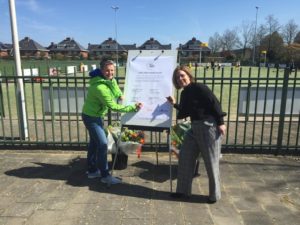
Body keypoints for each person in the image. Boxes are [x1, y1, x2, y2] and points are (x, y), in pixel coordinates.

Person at [166, 65, 226, 203]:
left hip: (208, 127)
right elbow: (185, 111)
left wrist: (221, 122)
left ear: (188, 75)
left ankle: (214, 196)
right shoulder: (185, 93)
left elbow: (214, 103)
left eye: (182, 75)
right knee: (185, 157)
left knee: (211, 162)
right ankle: (182, 191)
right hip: (194, 128)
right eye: (177, 77)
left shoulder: (199, 87)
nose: (180, 79)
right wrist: (174, 104)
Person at [82, 59, 142, 185]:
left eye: (112, 70)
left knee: (94, 143)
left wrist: (120, 95)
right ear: (101, 70)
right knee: (103, 144)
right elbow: (113, 106)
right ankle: (105, 176)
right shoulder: (99, 87)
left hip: (97, 116)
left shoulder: (110, 80)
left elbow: (115, 88)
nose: (110, 73)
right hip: (91, 117)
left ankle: (92, 170)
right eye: (107, 70)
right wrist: (133, 107)